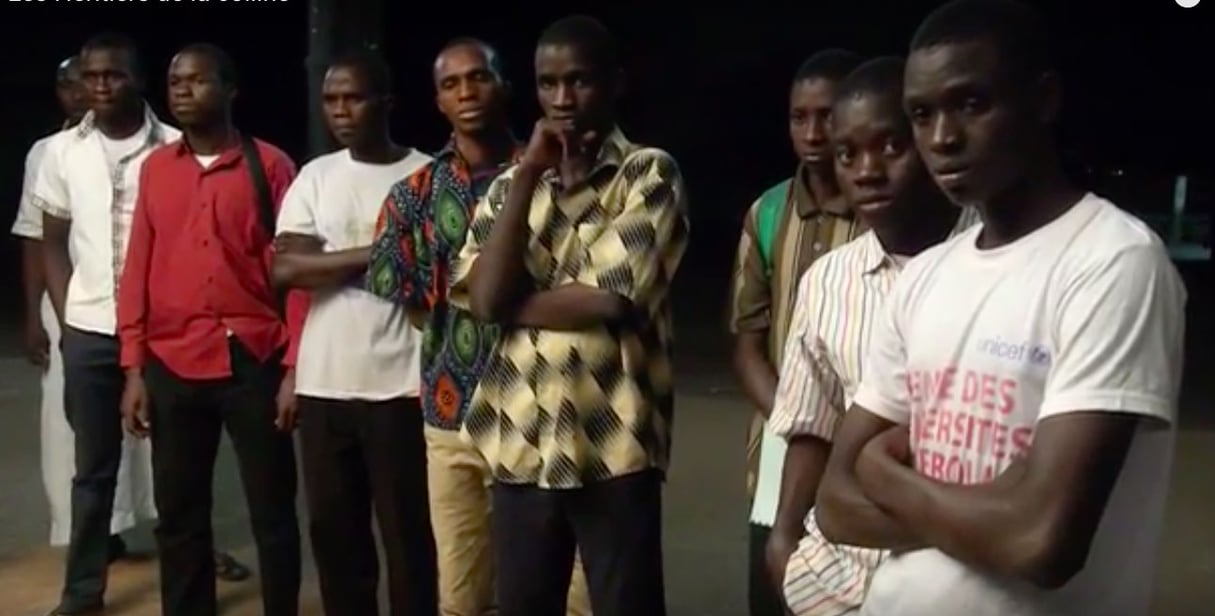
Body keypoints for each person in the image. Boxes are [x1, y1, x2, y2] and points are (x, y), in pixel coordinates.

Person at [814, 1, 1186, 615]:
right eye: (921, 114)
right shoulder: (929, 275)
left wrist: (887, 478)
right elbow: (834, 503)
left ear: (1042, 100)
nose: (942, 138)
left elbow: (1040, 543)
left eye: (971, 104)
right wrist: (989, 512)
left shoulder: (1112, 261)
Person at [449, 15, 689, 616]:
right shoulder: (510, 187)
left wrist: (511, 304)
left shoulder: (649, 173)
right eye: (548, 83)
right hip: (521, 439)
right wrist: (530, 171)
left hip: (614, 442)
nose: (562, 100)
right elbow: (481, 301)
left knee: (625, 605)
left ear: (615, 83)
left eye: (579, 82)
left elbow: (610, 298)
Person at [365, 37, 592, 616]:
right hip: (454, 417)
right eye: (450, 83)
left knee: (571, 590)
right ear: (438, 101)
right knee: (462, 589)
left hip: (546, 413)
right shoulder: (414, 196)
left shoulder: (555, 175)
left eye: (478, 77)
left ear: (506, 86)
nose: (466, 92)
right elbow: (414, 303)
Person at [765, 57, 978, 615]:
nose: (866, 171)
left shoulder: (996, 268)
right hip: (838, 579)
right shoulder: (828, 282)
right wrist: (785, 542)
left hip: (957, 578)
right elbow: (811, 425)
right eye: (847, 154)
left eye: (889, 147)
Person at [115, 43, 302, 616]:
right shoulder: (154, 170)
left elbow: (295, 275)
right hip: (173, 362)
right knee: (180, 514)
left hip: (254, 358)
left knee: (272, 511)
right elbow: (138, 266)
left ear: (229, 89)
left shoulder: (269, 165)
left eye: (197, 80)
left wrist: (294, 369)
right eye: (175, 81)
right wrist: (134, 367)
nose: (182, 90)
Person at [272, 50, 438, 616]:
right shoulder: (316, 176)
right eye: (331, 99)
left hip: (401, 386)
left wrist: (328, 258)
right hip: (324, 386)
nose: (340, 110)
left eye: (354, 97)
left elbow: (427, 275)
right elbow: (287, 270)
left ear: (386, 103)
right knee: (336, 539)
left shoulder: (426, 174)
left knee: (409, 537)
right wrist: (385, 249)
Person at [31, 34, 178, 616]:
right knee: (92, 470)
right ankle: (83, 592)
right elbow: (51, 243)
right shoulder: (62, 152)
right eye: (91, 76)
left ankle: (183, 588)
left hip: (163, 330)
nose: (99, 86)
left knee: (176, 465)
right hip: (90, 331)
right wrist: (69, 321)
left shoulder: (173, 146)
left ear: (136, 79)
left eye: (112, 76)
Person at [727, 48, 864, 616]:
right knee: (772, 590)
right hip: (780, 451)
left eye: (828, 116)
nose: (812, 132)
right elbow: (747, 338)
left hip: (862, 453)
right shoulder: (768, 211)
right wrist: (794, 417)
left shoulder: (883, 208)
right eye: (798, 117)